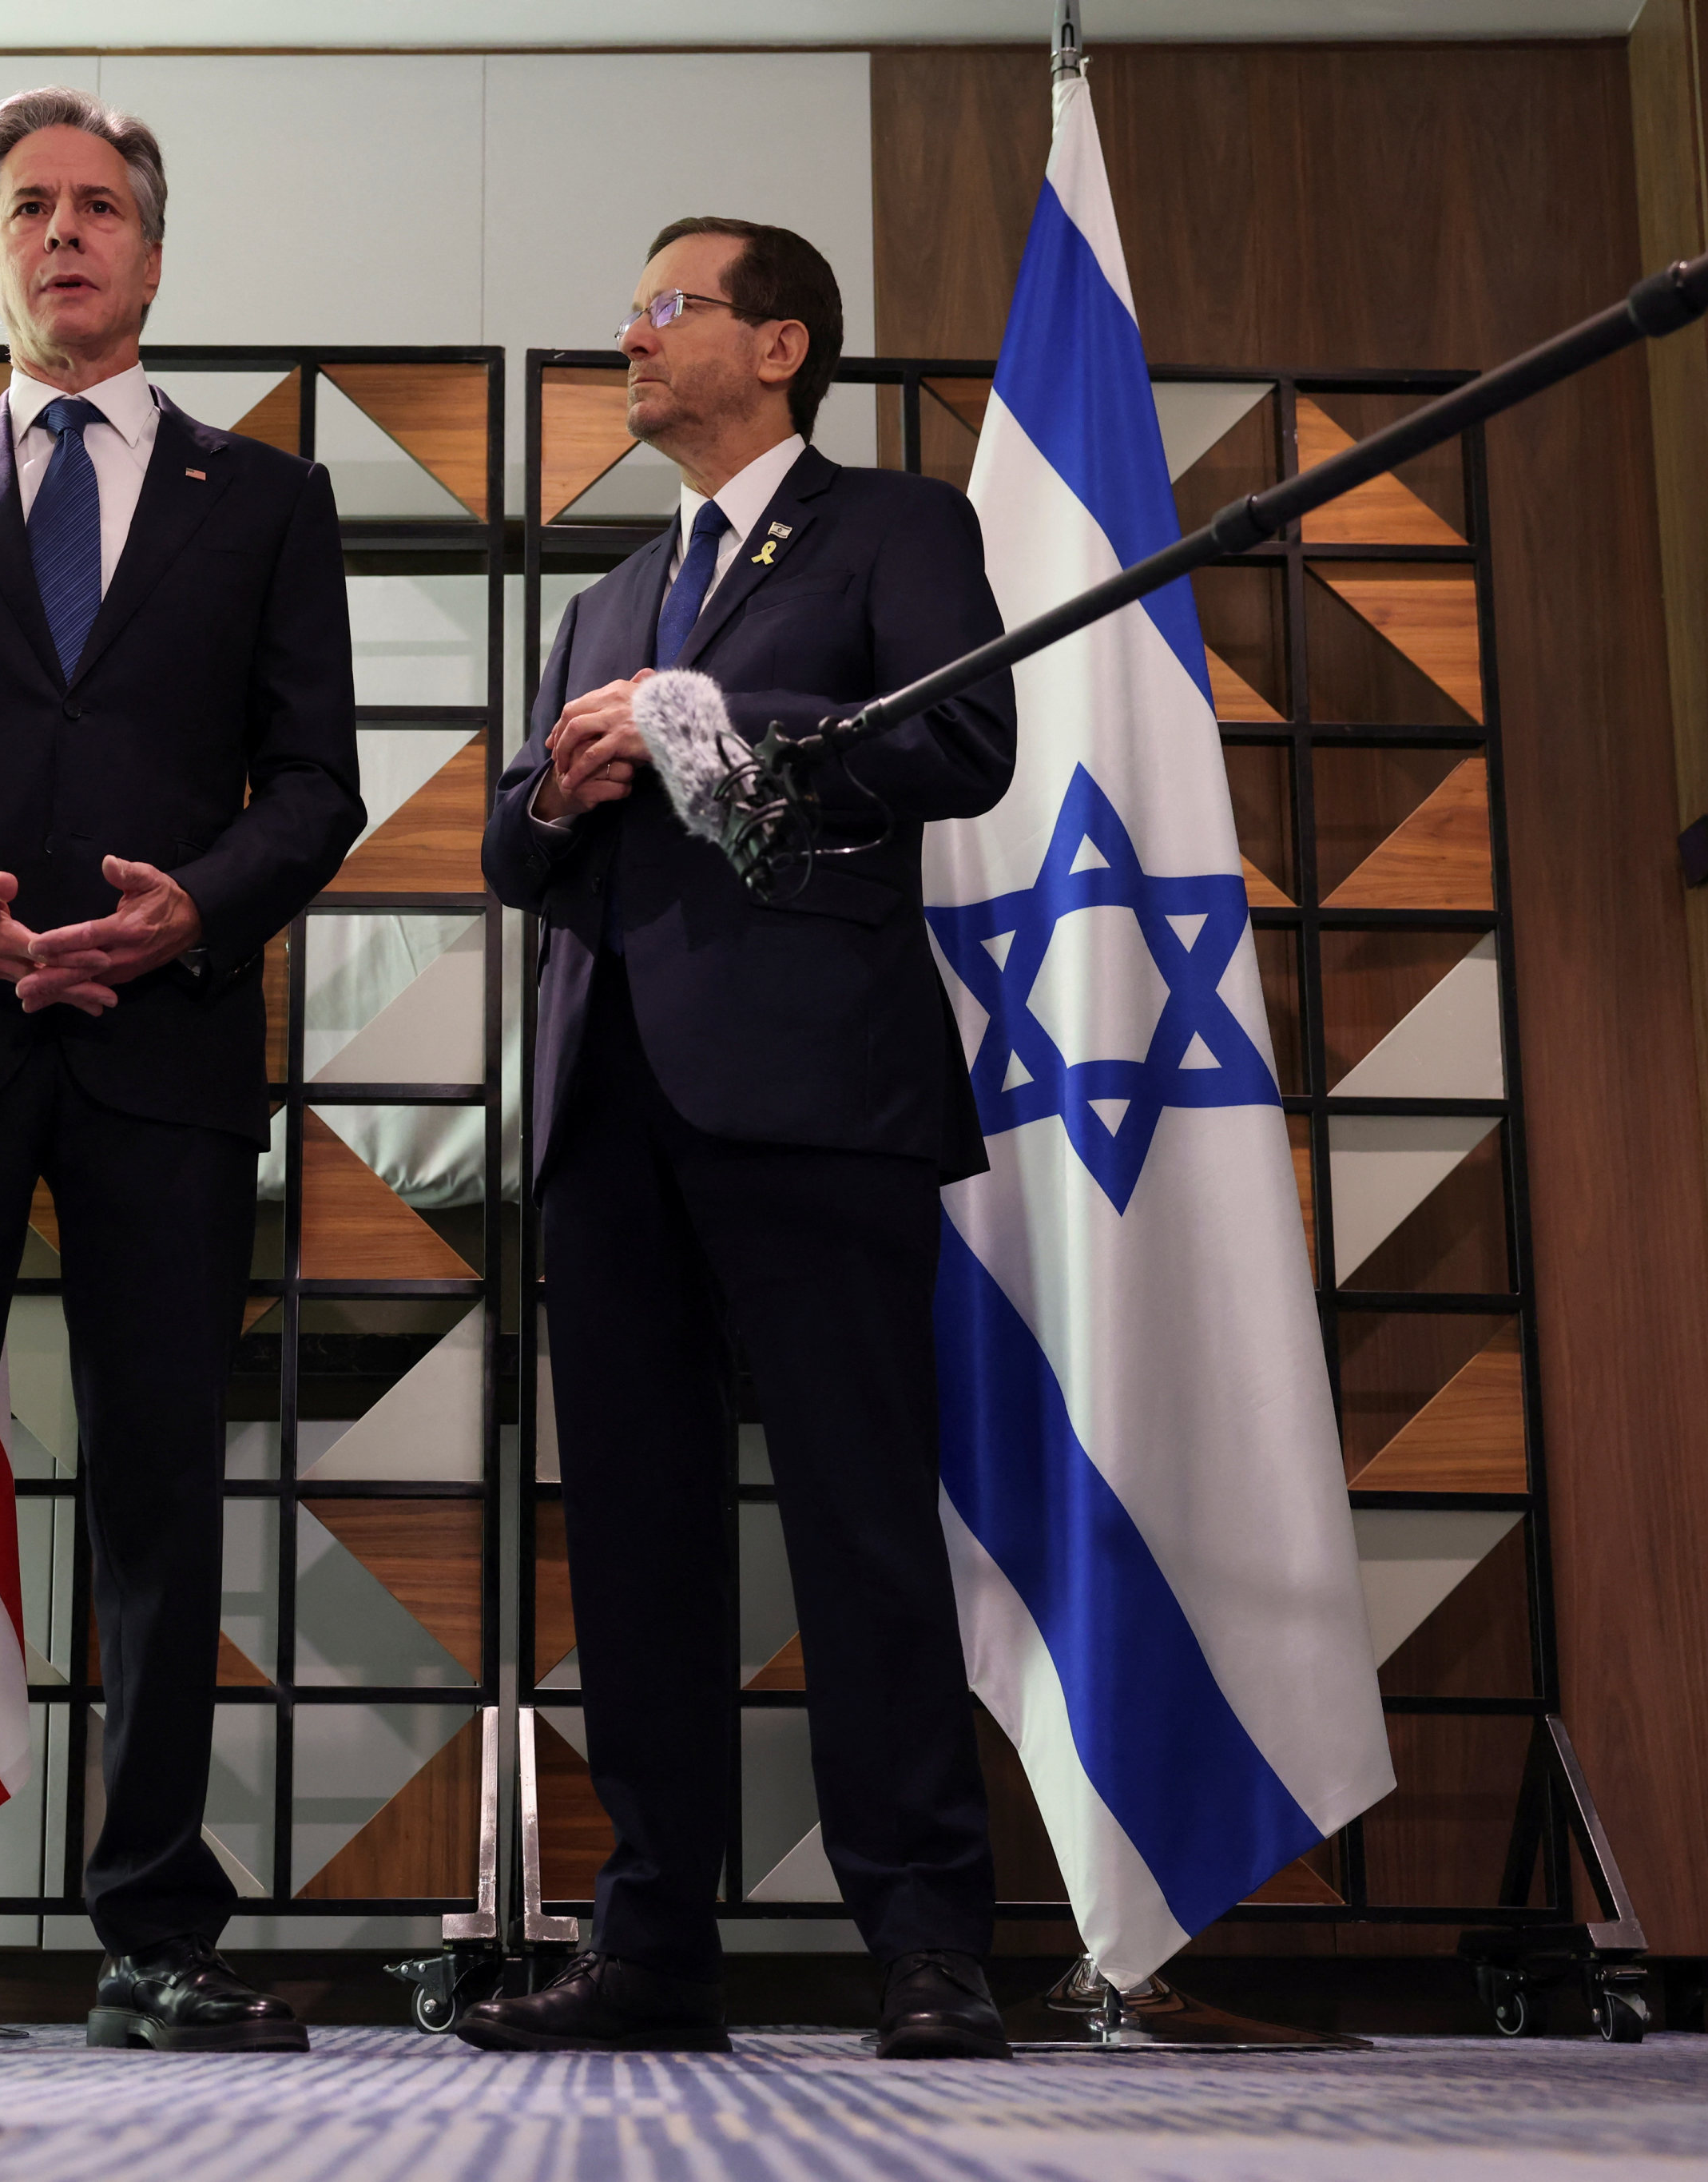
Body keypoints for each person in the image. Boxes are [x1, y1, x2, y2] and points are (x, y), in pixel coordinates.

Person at [0, 86, 360, 2056]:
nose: (67, 232)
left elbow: (318, 790)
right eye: (30, 206)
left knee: (162, 1497)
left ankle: (155, 1929)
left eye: (101, 205)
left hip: (162, 1042)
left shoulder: (263, 497)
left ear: (154, 254)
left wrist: (189, 911)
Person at [458, 218, 1018, 2061]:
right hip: (608, 1107)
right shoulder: (606, 593)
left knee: (859, 1520)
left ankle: (928, 1940)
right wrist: (556, 780)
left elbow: (959, 742)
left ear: (777, 346)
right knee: (631, 1542)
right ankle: (650, 1945)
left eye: (662, 307)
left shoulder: (893, 531)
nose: (626, 335)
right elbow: (510, 860)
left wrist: (713, 717)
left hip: (815, 1097)